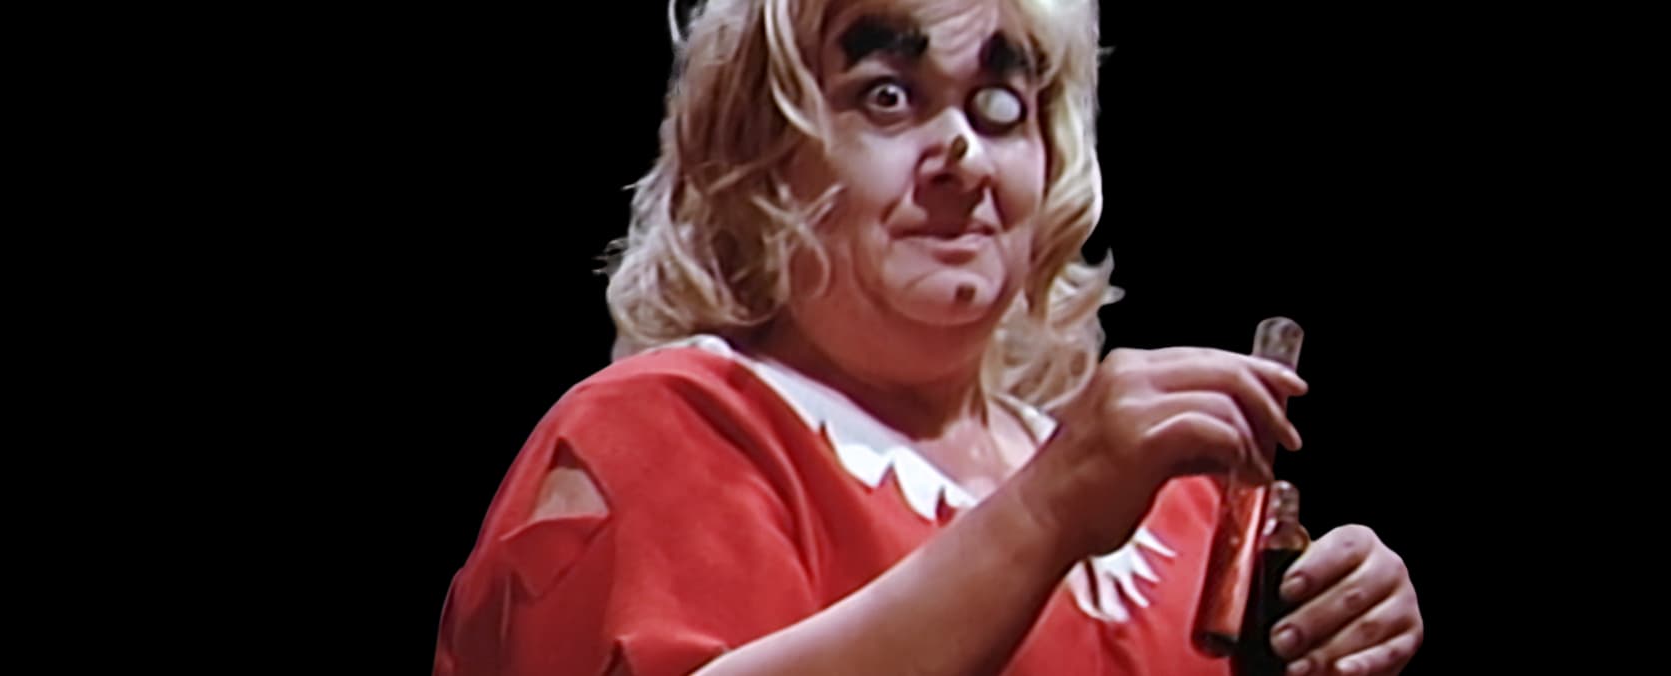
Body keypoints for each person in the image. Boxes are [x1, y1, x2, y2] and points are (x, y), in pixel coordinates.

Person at [434, 0, 1422, 674]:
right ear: (763, 152)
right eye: (888, 95)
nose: (962, 154)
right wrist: (1049, 511)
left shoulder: (1178, 513)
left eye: (1002, 108)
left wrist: (1344, 627)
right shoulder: (660, 431)